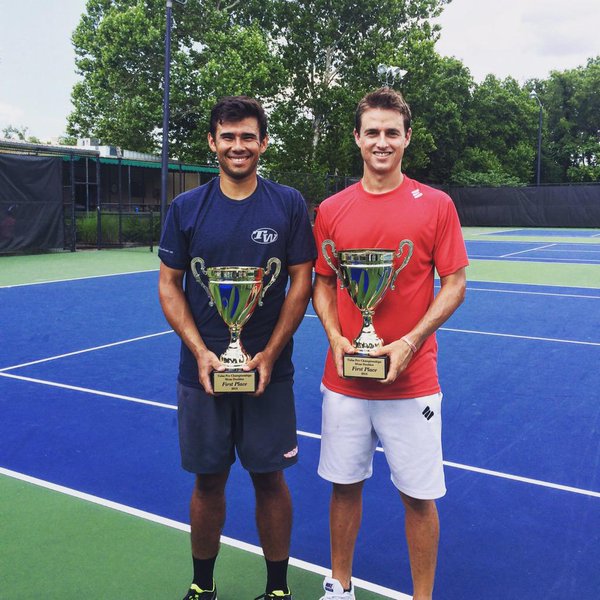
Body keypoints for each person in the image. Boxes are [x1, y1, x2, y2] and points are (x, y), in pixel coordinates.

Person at [312, 87, 468, 600]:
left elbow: (455, 284)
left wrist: (409, 342)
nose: (382, 142)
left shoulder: (437, 205)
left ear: (406, 139)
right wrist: (335, 337)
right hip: (346, 380)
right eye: (372, 132)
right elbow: (324, 282)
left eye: (391, 133)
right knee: (344, 485)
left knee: (419, 498)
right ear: (357, 138)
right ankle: (340, 583)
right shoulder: (332, 209)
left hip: (413, 382)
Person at [158, 96, 316, 600]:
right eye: (228, 136)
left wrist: (269, 353)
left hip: (271, 372)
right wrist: (202, 351)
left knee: (270, 479)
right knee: (208, 482)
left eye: (248, 136)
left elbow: (302, 282)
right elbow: (169, 285)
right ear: (212, 143)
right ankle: (203, 587)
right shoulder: (186, 208)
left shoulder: (288, 202)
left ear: (264, 142)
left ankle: (277, 591)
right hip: (201, 372)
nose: (238, 145)